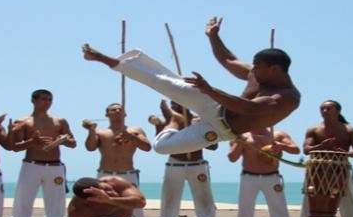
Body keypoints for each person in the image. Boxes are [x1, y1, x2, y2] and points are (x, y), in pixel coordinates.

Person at [81, 17, 300, 155]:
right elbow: (228, 60)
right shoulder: (258, 73)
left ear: (276, 69)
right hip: (214, 105)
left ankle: (176, 121)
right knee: (162, 81)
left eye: (259, 67)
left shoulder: (287, 97)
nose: (253, 70)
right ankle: (102, 58)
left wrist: (211, 89)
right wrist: (213, 36)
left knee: (161, 148)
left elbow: (248, 109)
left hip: (219, 130)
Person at [295, 100, 353, 217]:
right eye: (322, 108)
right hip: (317, 170)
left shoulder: (350, 130)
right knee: (309, 202)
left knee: (349, 202)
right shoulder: (314, 129)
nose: (324, 111)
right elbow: (306, 149)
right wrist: (320, 146)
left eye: (328, 109)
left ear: (338, 111)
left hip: (341, 169)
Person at [149, 100, 222, 217]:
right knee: (169, 200)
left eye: (179, 101)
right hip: (175, 165)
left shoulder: (199, 121)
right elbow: (161, 144)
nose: (177, 105)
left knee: (205, 200)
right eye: (173, 103)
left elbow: (213, 145)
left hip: (197, 165)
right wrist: (158, 125)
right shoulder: (170, 122)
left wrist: (201, 132)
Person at [11, 89, 77, 217]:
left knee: (56, 203)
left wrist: (60, 141)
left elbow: (73, 142)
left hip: (54, 166)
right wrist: (33, 142)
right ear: (33, 100)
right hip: (31, 165)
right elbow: (15, 147)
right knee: (23, 201)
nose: (47, 102)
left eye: (49, 100)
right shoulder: (23, 121)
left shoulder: (59, 121)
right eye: (43, 99)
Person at [83, 103, 151, 217]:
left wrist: (132, 137)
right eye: (113, 110)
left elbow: (147, 147)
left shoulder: (135, 130)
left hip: (128, 174)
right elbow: (90, 147)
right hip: (105, 175)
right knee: (100, 205)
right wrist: (91, 130)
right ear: (107, 114)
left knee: (134, 207)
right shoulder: (102, 133)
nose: (118, 111)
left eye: (121, 109)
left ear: (125, 114)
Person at [228, 127, 299, 217]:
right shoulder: (242, 135)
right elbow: (232, 158)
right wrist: (239, 143)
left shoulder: (278, 134)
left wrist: (282, 146)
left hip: (272, 176)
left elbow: (296, 150)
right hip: (249, 176)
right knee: (245, 206)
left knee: (279, 206)